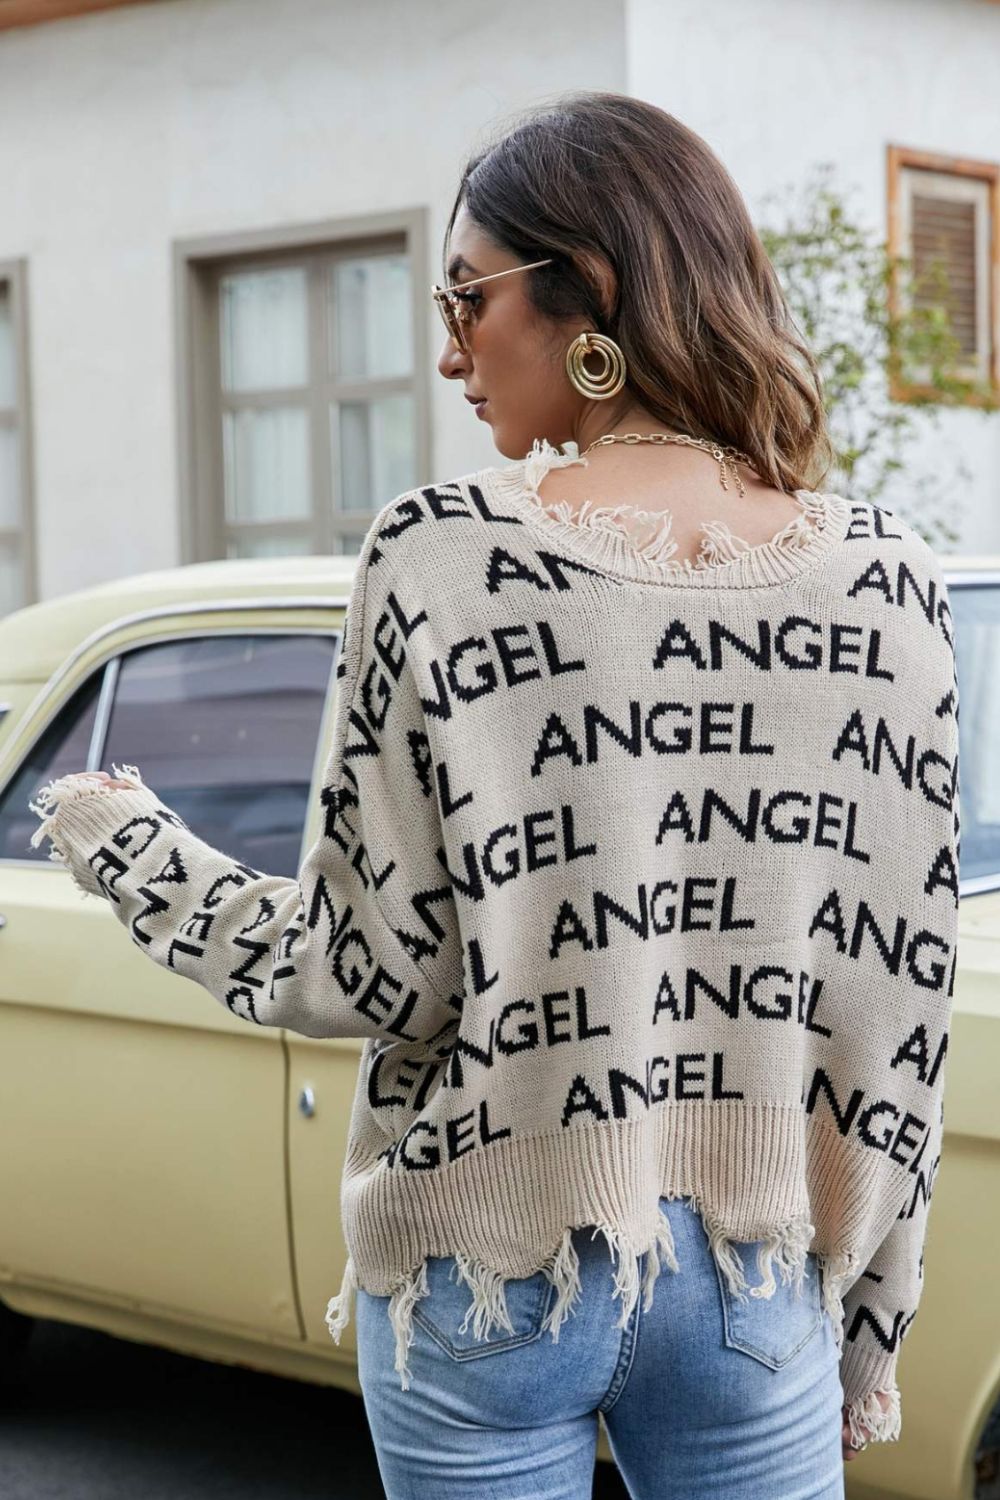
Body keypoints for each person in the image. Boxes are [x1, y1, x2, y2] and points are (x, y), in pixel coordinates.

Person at [29, 91, 959, 1499]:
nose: (449, 350)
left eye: (469, 296)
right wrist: (870, 1323)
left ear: (590, 292)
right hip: (759, 1275)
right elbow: (897, 1010)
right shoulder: (888, 584)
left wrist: (126, 841)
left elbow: (357, 971)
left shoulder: (440, 558)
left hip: (486, 1261)